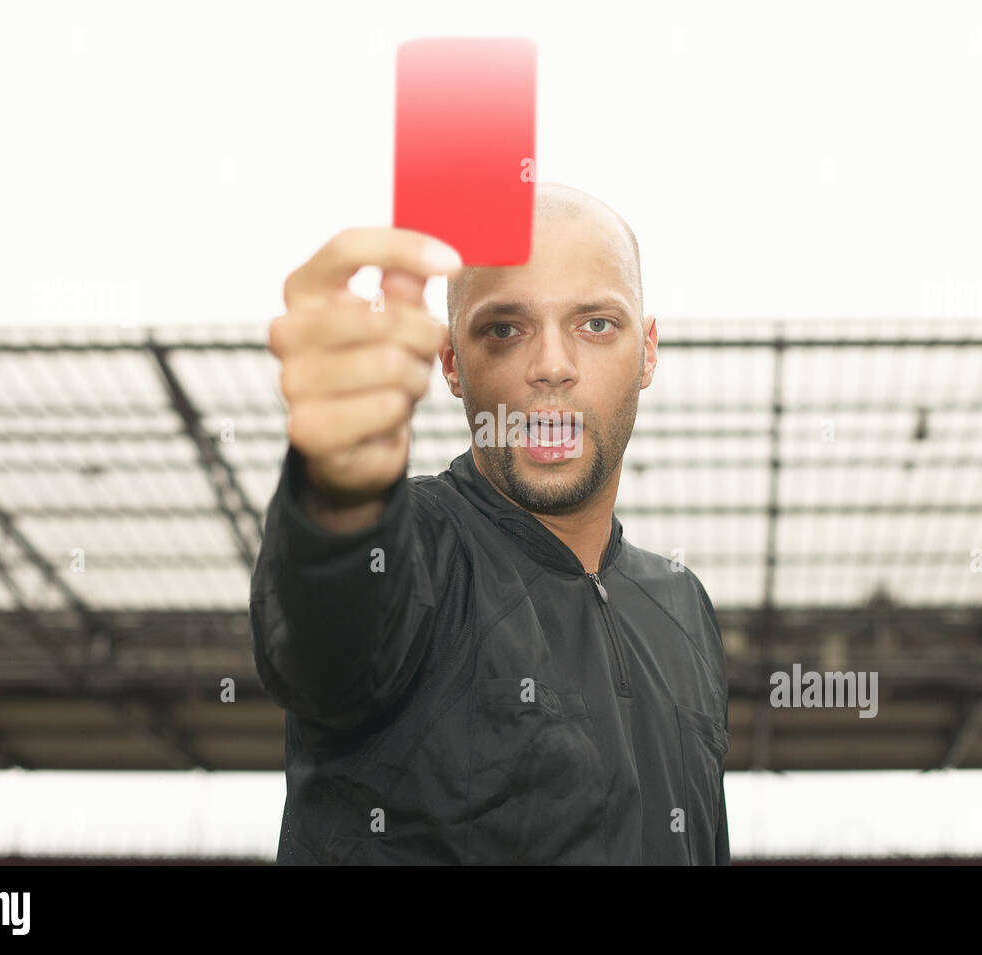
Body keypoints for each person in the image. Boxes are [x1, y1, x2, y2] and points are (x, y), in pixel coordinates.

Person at [252, 183, 730, 864]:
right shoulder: (416, 549)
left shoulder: (684, 607)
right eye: (505, 329)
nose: (552, 366)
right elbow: (327, 635)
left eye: (596, 325)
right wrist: (340, 491)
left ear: (648, 350)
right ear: (452, 364)